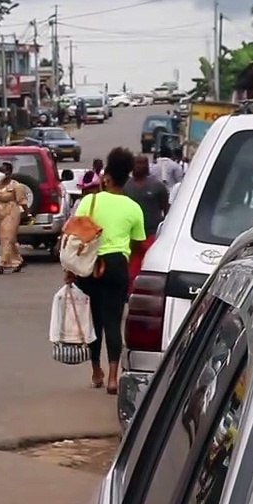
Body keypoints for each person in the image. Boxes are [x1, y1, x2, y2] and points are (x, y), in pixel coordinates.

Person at [72, 147, 145, 395]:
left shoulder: (89, 201)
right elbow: (138, 243)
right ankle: (114, 378)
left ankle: (96, 372)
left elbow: (75, 233)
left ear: (107, 177)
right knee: (113, 321)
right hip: (117, 266)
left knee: (94, 321)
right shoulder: (134, 208)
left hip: (90, 266)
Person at [124, 154, 171, 280]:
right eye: (136, 163)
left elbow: (166, 208)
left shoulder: (157, 186)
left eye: (142, 163)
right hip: (130, 236)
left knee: (150, 267)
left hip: (151, 234)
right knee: (131, 270)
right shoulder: (126, 187)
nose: (139, 166)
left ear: (147, 165)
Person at [0, 161, 29, 274]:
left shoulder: (16, 186)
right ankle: (18, 261)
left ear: (9, 173)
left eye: (3, 171)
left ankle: (2, 264)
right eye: (0, 170)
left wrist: (27, 214)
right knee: (8, 239)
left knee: (7, 238)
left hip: (12, 212)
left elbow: (22, 201)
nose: (1, 173)